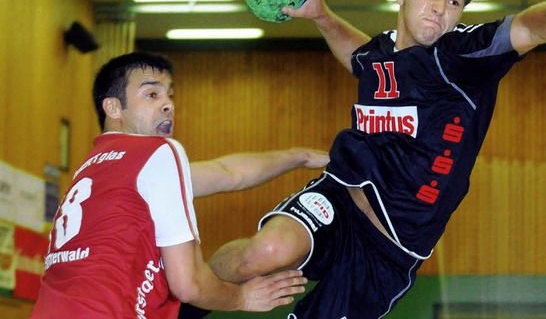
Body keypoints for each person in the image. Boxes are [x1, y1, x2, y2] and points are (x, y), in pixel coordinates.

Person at [206, 0, 546, 319]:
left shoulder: (459, 58)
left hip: (388, 250)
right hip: (340, 199)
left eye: (454, 1)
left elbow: (526, 29)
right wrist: (322, 15)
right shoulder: (381, 53)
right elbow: (359, 57)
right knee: (262, 253)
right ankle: (180, 300)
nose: (439, 8)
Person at [31, 52, 330, 318]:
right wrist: (243, 297)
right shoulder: (159, 152)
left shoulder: (97, 167)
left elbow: (227, 172)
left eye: (170, 96)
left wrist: (298, 156)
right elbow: (188, 284)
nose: (167, 105)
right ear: (113, 108)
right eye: (151, 95)